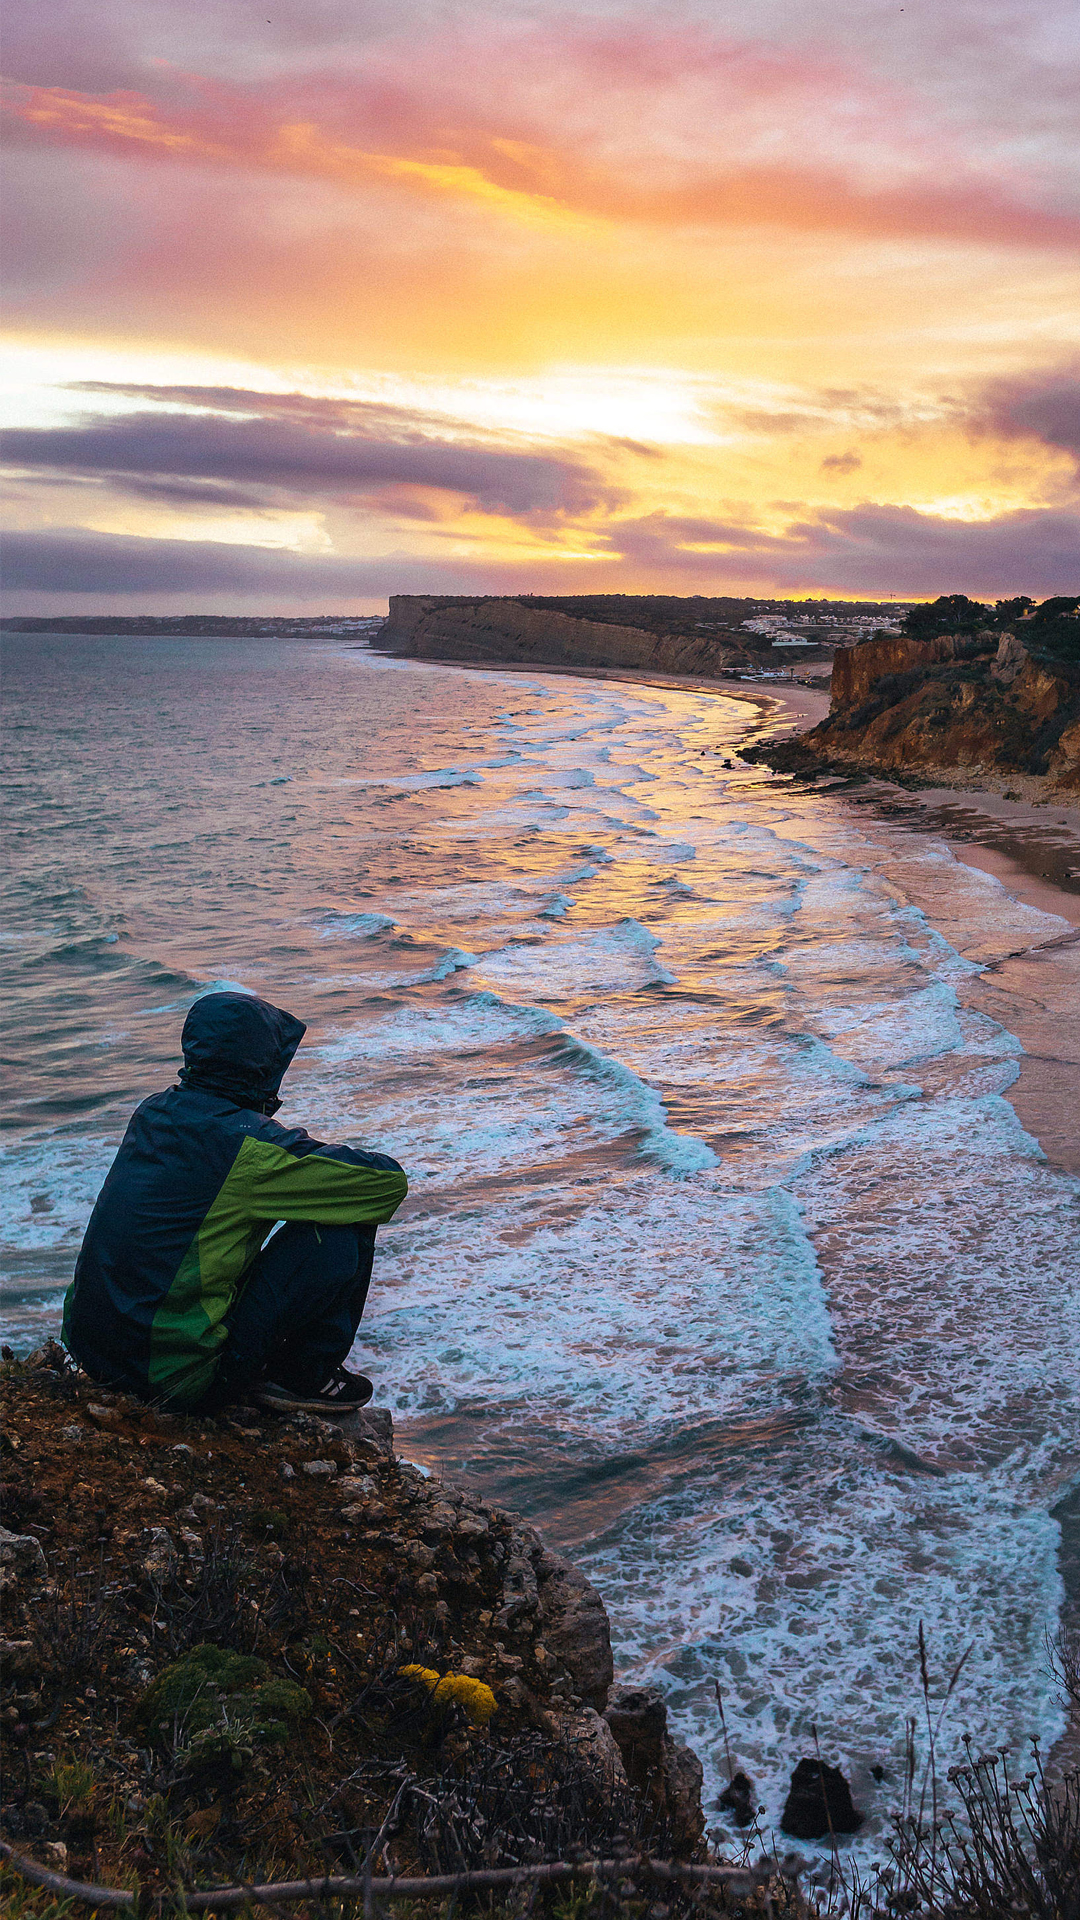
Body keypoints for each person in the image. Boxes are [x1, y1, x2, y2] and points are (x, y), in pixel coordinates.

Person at [62, 991, 408, 1414]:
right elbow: (387, 1183)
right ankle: (305, 1374)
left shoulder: (152, 1112)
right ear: (259, 1064)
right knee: (343, 1225)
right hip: (172, 1376)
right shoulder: (249, 1147)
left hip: (92, 1351)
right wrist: (284, 1141)